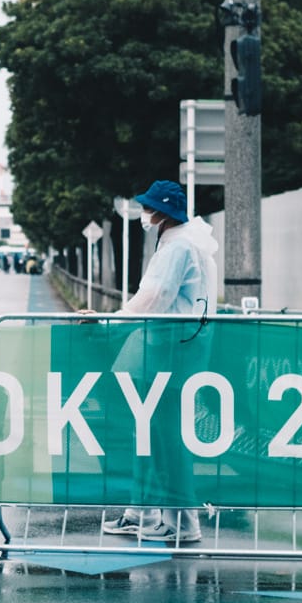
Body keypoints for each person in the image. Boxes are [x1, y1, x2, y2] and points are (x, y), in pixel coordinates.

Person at [101, 179, 220, 544]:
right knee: (150, 433)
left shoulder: (179, 246)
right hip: (169, 352)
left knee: (166, 438)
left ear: (163, 213)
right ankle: (145, 512)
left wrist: (113, 322)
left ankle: (181, 521)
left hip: (169, 355)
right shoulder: (181, 240)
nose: (144, 212)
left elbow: (157, 295)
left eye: (149, 207)